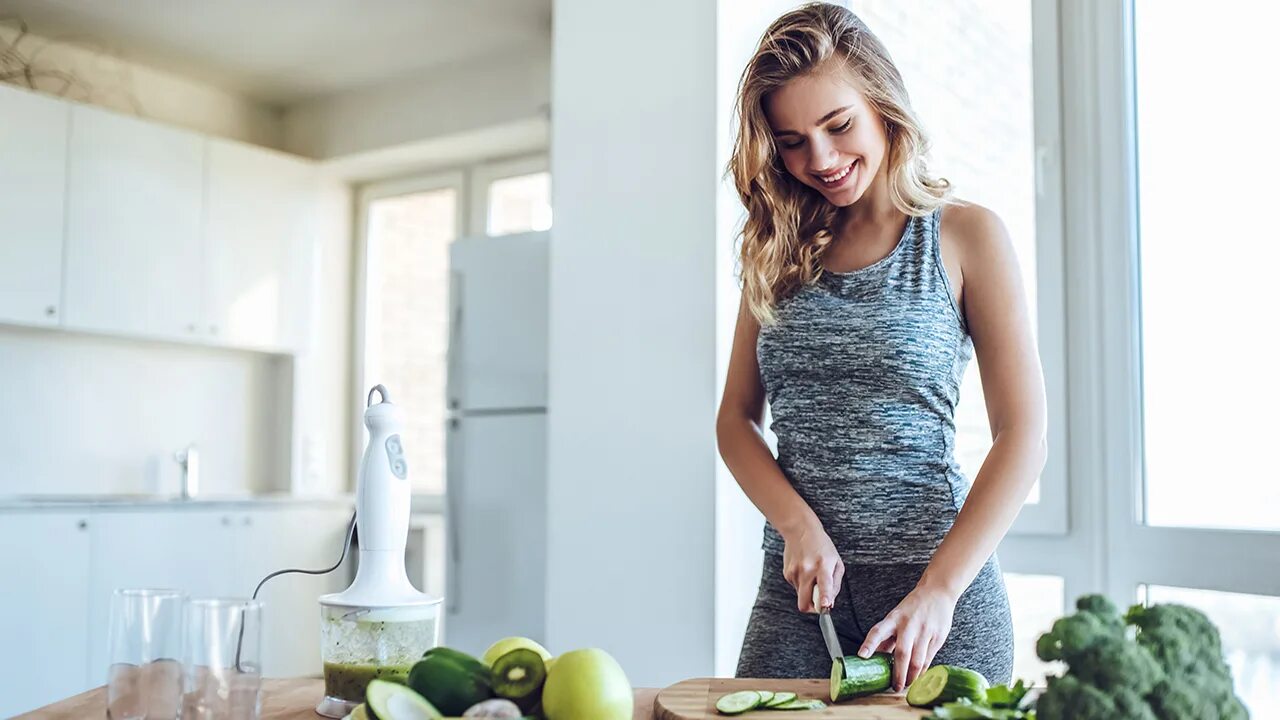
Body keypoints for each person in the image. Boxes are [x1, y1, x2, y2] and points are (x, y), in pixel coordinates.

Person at [716, 2, 1048, 693]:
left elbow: (1024, 433)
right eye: (792, 141)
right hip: (799, 600)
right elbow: (735, 421)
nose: (822, 159)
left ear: (883, 106)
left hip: (937, 598)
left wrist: (941, 590)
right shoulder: (772, 250)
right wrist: (796, 525)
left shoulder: (964, 237)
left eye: (838, 126)